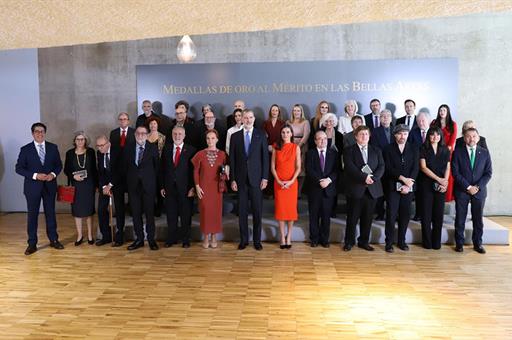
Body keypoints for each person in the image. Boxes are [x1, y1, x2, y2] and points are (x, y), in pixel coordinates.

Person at [15, 123, 64, 255]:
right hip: (32, 188)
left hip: (49, 186)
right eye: (37, 131)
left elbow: (58, 165)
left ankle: (54, 240)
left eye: (42, 131)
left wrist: (52, 175)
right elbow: (18, 168)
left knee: (50, 214)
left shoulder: (53, 148)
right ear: (32, 133)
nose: (40, 134)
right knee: (32, 215)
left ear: (45, 133)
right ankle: (32, 244)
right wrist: (36, 176)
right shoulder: (25, 149)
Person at [229, 109, 269, 250]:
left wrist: (265, 177)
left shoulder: (261, 135)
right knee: (242, 212)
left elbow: (265, 158)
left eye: (250, 117)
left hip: (257, 180)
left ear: (254, 119)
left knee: (257, 211)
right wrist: (232, 179)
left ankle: (257, 241)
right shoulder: (235, 136)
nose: (248, 120)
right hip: (240, 180)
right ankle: (244, 240)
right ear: (241, 119)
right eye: (245, 118)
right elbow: (232, 160)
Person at [343, 126, 384, 251]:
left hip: (372, 189)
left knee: (367, 218)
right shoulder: (349, 150)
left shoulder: (376, 150)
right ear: (356, 136)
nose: (364, 136)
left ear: (369, 136)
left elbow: (381, 166)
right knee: (352, 218)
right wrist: (364, 178)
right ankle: (349, 242)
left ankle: (363, 242)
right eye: (361, 134)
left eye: (366, 134)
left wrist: (374, 178)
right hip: (356, 189)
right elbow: (350, 167)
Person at [451, 127, 492, 254]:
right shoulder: (458, 152)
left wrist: (477, 187)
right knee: (460, 219)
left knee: (478, 219)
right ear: (464, 138)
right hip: (462, 190)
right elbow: (455, 172)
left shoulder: (484, 152)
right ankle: (459, 243)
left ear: (478, 138)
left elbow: (488, 173)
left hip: (479, 192)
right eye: (468, 136)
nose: (471, 138)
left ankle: (478, 243)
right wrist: (468, 187)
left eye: (474, 136)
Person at [121, 126, 160, 251]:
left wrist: (158, 186)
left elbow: (157, 168)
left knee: (149, 214)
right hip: (133, 187)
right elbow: (124, 168)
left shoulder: (153, 148)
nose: (141, 135)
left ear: (147, 135)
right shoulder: (128, 148)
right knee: (136, 214)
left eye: (143, 133)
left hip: (149, 187)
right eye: (138, 133)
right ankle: (139, 239)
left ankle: (151, 239)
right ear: (135, 134)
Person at [382, 124, 419, 252]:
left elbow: (415, 168)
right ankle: (389, 243)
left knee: (405, 215)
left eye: (405, 134)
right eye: (400, 134)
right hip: (393, 187)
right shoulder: (387, 149)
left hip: (408, 187)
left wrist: (409, 183)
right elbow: (387, 168)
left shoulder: (414, 148)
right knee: (391, 215)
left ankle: (402, 241)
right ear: (395, 135)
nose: (403, 136)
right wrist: (403, 179)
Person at [160, 126, 196, 248]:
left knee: (186, 215)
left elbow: (194, 171)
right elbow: (162, 169)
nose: (177, 136)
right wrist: (162, 186)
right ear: (171, 135)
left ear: (184, 136)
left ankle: (186, 239)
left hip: (186, 189)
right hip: (169, 188)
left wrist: (193, 187)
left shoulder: (191, 150)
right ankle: (171, 238)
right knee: (171, 214)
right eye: (175, 133)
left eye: (180, 134)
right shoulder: (166, 149)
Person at [192, 129, 228, 248]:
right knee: (205, 212)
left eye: (213, 138)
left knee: (215, 213)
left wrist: (226, 173)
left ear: (217, 139)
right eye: (208, 138)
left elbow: (226, 170)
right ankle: (206, 237)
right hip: (204, 188)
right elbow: (196, 171)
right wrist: (197, 186)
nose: (210, 140)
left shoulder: (222, 154)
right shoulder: (200, 154)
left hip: (217, 188)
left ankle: (214, 237)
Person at [419, 127, 451, 249]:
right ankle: (426, 242)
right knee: (426, 214)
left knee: (438, 214)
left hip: (441, 185)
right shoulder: (423, 148)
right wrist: (439, 179)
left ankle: (436, 242)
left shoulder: (445, 150)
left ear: (440, 136)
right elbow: (423, 167)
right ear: (428, 136)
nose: (435, 137)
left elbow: (448, 167)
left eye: (438, 135)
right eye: (432, 135)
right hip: (426, 184)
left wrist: (445, 181)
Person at [64, 131, 98, 246]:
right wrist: (73, 176)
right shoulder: (69, 153)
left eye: (82, 139)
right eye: (78, 139)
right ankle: (79, 235)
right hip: (76, 185)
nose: (80, 141)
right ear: (74, 141)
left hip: (89, 185)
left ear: (86, 141)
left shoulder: (91, 152)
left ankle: (89, 235)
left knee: (89, 211)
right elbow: (66, 169)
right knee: (77, 211)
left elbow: (94, 169)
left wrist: (97, 185)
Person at [306, 130, 338, 248]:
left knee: (326, 216)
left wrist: (328, 180)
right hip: (315, 189)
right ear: (315, 141)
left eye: (325, 138)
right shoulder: (310, 153)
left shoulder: (333, 153)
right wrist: (320, 180)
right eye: (320, 138)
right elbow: (309, 170)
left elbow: (336, 170)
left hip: (328, 189)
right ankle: (314, 239)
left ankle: (324, 239)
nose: (323, 141)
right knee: (313, 216)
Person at [271, 125, 301, 249]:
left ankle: (289, 237)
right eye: (283, 132)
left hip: (291, 184)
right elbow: (272, 166)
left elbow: (298, 167)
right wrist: (278, 180)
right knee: (281, 211)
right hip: (279, 183)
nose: (285, 134)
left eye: (288, 132)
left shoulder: (296, 147)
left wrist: (291, 181)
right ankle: (282, 237)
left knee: (290, 211)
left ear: (291, 134)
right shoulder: (276, 147)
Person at [109, 112, 135, 246]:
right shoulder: (113, 133)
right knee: (119, 207)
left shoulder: (134, 132)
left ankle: (138, 235)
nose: (123, 121)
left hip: (131, 175)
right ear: (119, 121)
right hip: (117, 176)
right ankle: (120, 234)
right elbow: (112, 155)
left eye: (125, 119)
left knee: (134, 205)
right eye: (121, 119)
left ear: (129, 121)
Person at [370, 109, 394, 220]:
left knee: (392, 192)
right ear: (380, 118)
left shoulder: (396, 129)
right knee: (380, 191)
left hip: (394, 165)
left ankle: (392, 214)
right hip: (380, 164)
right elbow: (374, 148)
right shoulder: (375, 131)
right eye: (382, 116)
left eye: (387, 116)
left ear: (391, 118)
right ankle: (380, 213)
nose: (385, 118)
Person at [431, 104, 457, 202]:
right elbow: (431, 136)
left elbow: (452, 140)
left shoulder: (452, 124)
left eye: (444, 110)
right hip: (435, 150)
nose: (442, 112)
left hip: (447, 152)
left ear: (447, 112)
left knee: (447, 172)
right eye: (440, 110)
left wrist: (445, 151)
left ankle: (446, 196)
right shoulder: (434, 122)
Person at [408, 111, 431, 221]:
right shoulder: (413, 132)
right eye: (419, 121)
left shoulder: (434, 132)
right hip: (417, 167)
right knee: (418, 193)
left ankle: (428, 215)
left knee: (428, 193)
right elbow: (410, 149)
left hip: (430, 168)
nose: (421, 123)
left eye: (423, 120)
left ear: (428, 121)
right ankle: (418, 214)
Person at [263, 104, 285, 196]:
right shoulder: (265, 123)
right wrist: (268, 146)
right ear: (270, 112)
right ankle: (269, 193)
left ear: (279, 112)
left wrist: (275, 147)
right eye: (273, 110)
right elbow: (263, 137)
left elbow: (283, 137)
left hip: (279, 149)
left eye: (276, 110)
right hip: (268, 150)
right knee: (268, 170)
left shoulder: (282, 123)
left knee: (278, 170)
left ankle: (277, 191)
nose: (274, 112)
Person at [288, 104, 310, 197]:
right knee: (291, 168)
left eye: (298, 110)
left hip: (302, 146)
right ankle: (292, 189)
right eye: (295, 110)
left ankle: (298, 192)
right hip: (290, 146)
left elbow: (306, 135)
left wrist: (299, 146)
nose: (296, 112)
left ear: (301, 112)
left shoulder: (305, 122)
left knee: (301, 168)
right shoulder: (288, 122)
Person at [95, 135, 113, 246]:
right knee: (101, 209)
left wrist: (110, 185)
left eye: (102, 146)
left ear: (108, 144)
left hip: (117, 182)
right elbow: (100, 172)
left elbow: (120, 170)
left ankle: (119, 236)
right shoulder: (100, 153)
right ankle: (105, 236)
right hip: (105, 184)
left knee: (119, 210)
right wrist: (103, 187)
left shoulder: (116, 151)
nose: (100, 148)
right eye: (98, 146)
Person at [146, 116, 166, 216]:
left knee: (160, 186)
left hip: (160, 165)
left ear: (157, 125)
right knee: (150, 187)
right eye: (151, 124)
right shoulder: (145, 137)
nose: (153, 125)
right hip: (148, 166)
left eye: (154, 124)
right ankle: (151, 208)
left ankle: (159, 209)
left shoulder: (163, 137)